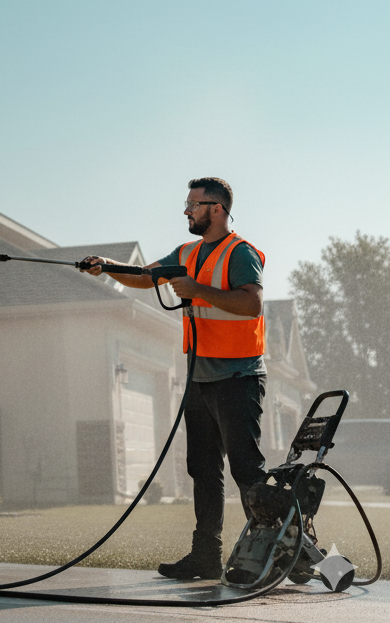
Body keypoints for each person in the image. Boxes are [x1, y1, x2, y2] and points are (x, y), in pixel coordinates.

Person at [80, 177, 266, 581]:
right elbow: (146, 277)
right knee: (203, 468)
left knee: (246, 471)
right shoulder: (185, 252)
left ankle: (264, 556)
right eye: (187, 203)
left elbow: (251, 303)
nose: (186, 210)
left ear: (216, 209)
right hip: (200, 379)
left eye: (193, 204)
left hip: (238, 376)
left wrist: (197, 288)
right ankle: (205, 557)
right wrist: (106, 268)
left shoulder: (241, 252)